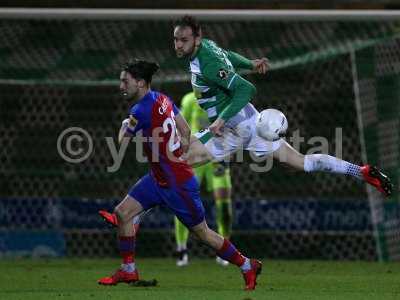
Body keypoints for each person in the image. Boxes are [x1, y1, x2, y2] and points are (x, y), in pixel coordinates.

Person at [172, 15, 393, 196]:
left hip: (234, 128)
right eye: (176, 39)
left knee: (177, 164)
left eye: (184, 39)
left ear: (197, 38)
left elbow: (246, 89)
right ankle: (361, 171)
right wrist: (250, 63)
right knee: (302, 162)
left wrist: (221, 119)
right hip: (251, 120)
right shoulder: (208, 47)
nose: (178, 44)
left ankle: (140, 219)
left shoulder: (206, 61)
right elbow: (228, 56)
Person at [97, 58, 261, 291]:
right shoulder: (162, 98)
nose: (121, 86)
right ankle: (128, 270)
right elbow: (184, 129)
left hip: (177, 184)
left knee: (203, 233)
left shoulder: (139, 110)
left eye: (125, 81)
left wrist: (126, 124)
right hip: (158, 178)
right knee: (122, 213)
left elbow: (121, 141)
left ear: (141, 83)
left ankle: (247, 265)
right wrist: (178, 150)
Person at [174, 92, 232, 267]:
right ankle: (181, 248)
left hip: (217, 157)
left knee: (223, 205)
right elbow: (181, 129)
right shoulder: (189, 99)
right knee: (183, 203)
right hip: (196, 156)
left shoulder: (224, 99)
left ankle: (225, 249)